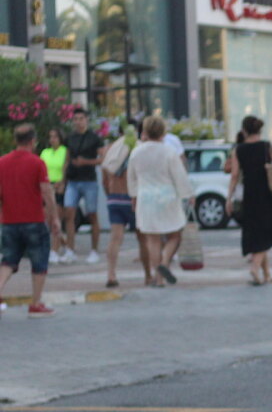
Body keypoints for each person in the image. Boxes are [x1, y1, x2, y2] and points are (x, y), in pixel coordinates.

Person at [0, 124, 63, 317]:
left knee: (8, 262)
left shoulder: (2, 162)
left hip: (9, 220)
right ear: (33, 141)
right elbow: (47, 192)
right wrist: (54, 218)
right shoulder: (37, 163)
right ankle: (35, 303)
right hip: (33, 219)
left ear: (16, 141)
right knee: (39, 262)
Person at [127, 116, 193, 288]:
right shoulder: (169, 151)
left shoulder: (136, 152)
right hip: (167, 197)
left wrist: (133, 197)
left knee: (152, 239)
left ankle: (159, 278)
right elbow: (179, 175)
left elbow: (132, 179)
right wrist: (188, 193)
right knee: (175, 235)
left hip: (146, 198)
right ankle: (164, 262)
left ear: (145, 131)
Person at [227, 116, 272, 286]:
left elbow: (234, 175)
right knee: (268, 232)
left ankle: (266, 274)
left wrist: (228, 198)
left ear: (244, 131)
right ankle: (255, 267)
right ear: (259, 130)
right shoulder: (266, 146)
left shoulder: (239, 150)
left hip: (249, 195)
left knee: (258, 233)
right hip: (267, 194)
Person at [100, 120, 145, 287]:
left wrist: (110, 195)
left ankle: (111, 274)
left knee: (115, 239)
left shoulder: (109, 150)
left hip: (114, 198)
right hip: (134, 198)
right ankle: (149, 274)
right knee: (143, 238)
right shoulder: (139, 148)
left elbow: (104, 179)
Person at [63, 106, 104, 264]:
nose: (78, 122)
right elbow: (66, 159)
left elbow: (102, 158)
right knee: (69, 214)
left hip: (89, 180)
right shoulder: (70, 137)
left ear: (86, 120)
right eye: (75, 119)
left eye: (81, 119)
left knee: (92, 214)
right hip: (73, 180)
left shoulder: (94, 138)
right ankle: (70, 249)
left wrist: (86, 162)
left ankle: (94, 250)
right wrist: (63, 178)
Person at [40, 128, 68, 262]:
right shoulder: (45, 152)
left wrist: (60, 183)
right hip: (47, 186)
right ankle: (64, 243)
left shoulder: (64, 151)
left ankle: (54, 250)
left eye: (55, 137)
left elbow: (66, 168)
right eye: (50, 137)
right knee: (47, 220)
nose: (52, 140)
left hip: (59, 187)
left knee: (56, 218)